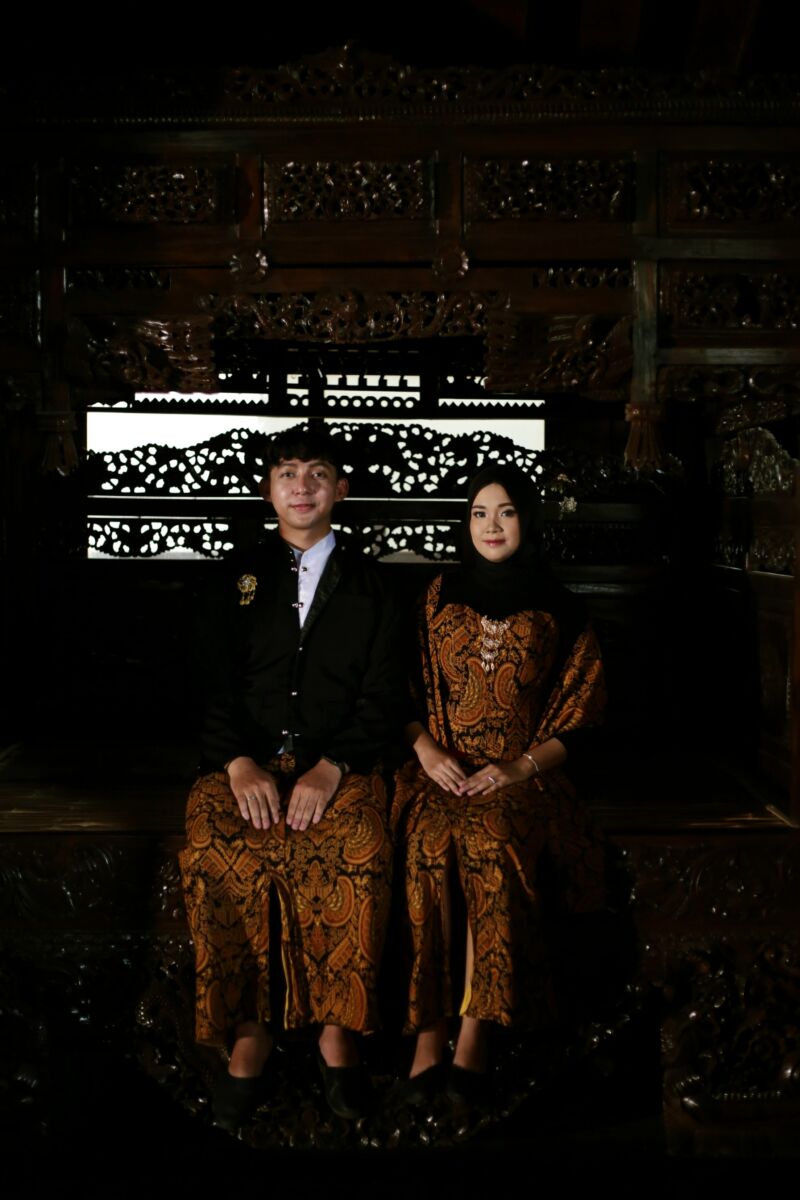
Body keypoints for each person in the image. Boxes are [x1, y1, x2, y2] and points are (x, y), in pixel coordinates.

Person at [180, 426, 405, 1128]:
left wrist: (332, 767)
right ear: (268, 490)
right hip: (241, 763)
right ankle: (249, 1032)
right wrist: (237, 761)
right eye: (287, 473)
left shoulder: (375, 584)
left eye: (317, 473)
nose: (302, 486)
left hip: (340, 765)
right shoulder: (232, 578)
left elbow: (384, 693)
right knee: (218, 847)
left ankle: (338, 1030)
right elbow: (208, 682)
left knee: (360, 849)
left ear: (341, 489)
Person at [392, 463, 607, 1107]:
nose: (491, 526)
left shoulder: (561, 604)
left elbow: (584, 716)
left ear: (527, 520)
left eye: (506, 512)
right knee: (426, 846)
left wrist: (516, 768)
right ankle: (427, 1028)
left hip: (521, 777)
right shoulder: (434, 595)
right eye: (479, 513)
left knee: (489, 844)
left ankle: (474, 1030)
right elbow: (395, 691)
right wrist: (427, 750)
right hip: (440, 769)